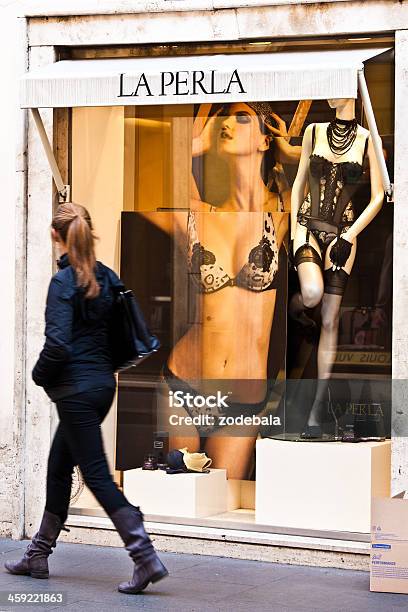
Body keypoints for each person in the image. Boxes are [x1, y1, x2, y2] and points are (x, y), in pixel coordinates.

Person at [4, 203, 168, 594]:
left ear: (57, 237)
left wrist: (38, 375)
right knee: (60, 465)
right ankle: (38, 552)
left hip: (76, 392)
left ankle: (143, 554)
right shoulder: (107, 277)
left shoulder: (63, 283)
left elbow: (58, 346)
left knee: (95, 474)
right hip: (102, 387)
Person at [143, 102, 300, 478]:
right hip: (183, 384)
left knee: (224, 506)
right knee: (178, 500)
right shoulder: (198, 215)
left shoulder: (279, 213)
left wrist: (292, 149)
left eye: (241, 117)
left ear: (265, 139)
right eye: (224, 117)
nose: (227, 123)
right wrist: (188, 150)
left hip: (243, 400)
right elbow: (145, 194)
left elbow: (332, 180)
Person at [290, 98, 384, 438]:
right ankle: (296, 306)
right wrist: (291, 229)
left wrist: (352, 233)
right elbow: (298, 183)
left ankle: (316, 413)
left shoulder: (366, 139)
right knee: (312, 294)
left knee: (330, 320)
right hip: (306, 224)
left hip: (344, 232)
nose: (329, 94)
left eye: (335, 86)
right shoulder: (313, 132)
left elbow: (379, 195)